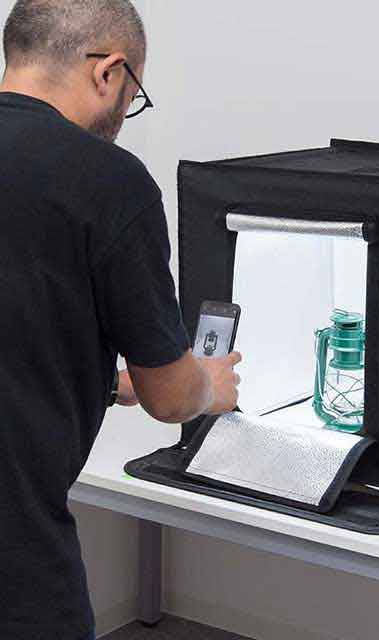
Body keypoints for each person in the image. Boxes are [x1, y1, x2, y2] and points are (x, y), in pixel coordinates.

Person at [0, 1, 242, 639]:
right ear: (108, 71)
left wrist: (108, 383)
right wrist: (209, 385)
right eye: (134, 95)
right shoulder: (108, 181)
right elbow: (171, 400)